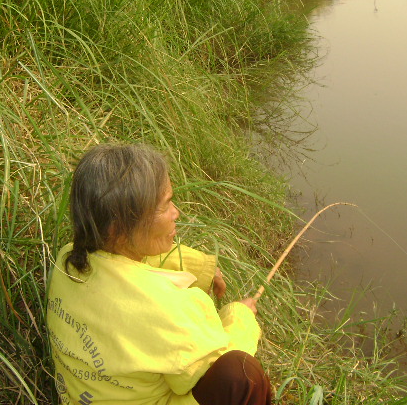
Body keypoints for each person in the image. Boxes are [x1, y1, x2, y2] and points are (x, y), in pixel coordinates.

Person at [46, 143, 272, 405]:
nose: (177, 212)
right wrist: (240, 316)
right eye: (165, 206)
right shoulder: (165, 309)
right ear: (120, 229)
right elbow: (216, 364)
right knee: (241, 373)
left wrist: (202, 268)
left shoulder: (67, 258)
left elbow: (138, 255)